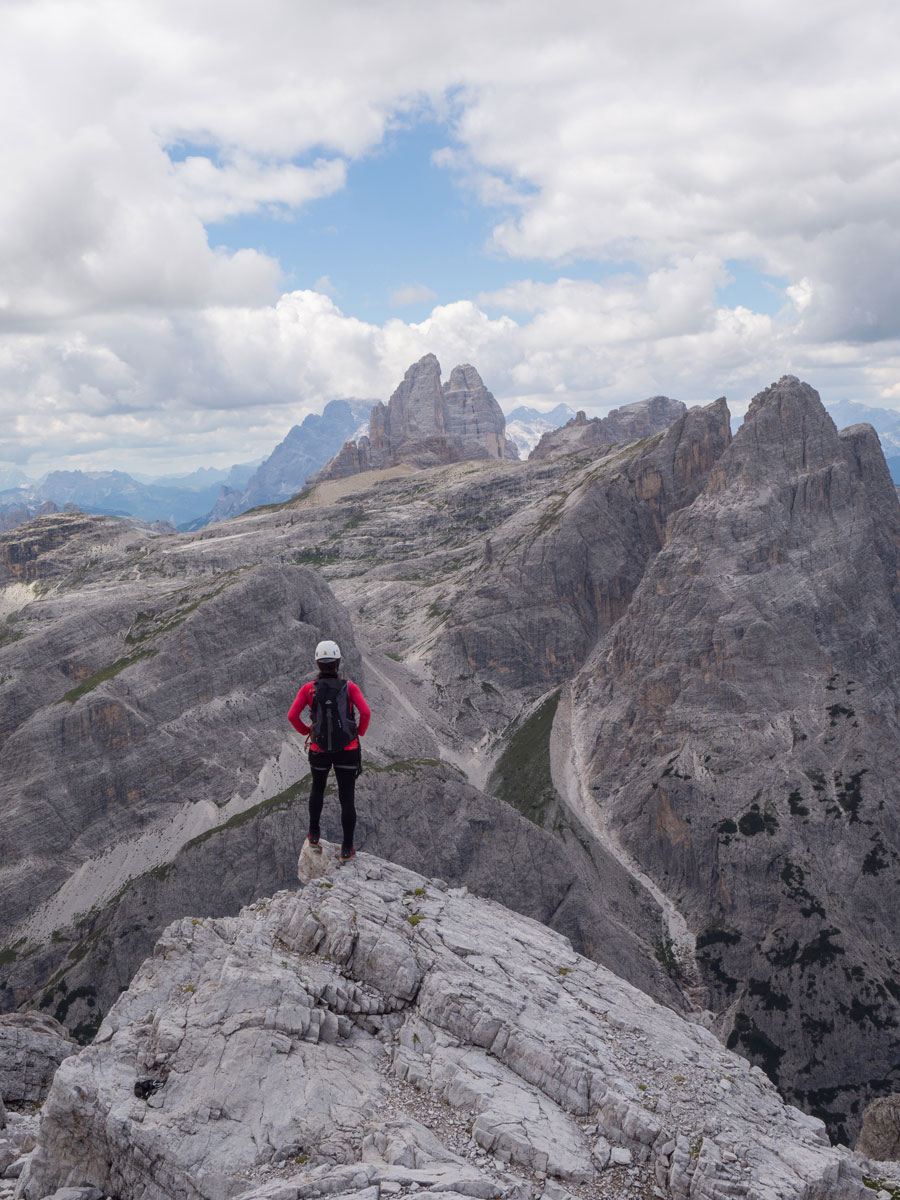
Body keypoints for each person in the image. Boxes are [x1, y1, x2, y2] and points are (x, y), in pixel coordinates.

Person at [287, 639, 371, 862]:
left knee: (317, 790)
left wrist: (307, 730)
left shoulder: (308, 689)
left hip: (319, 749)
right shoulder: (349, 687)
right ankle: (347, 848)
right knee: (347, 798)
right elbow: (366, 712)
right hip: (348, 749)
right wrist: (358, 733)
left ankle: (314, 834)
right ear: (338, 662)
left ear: (317, 664)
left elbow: (292, 716)